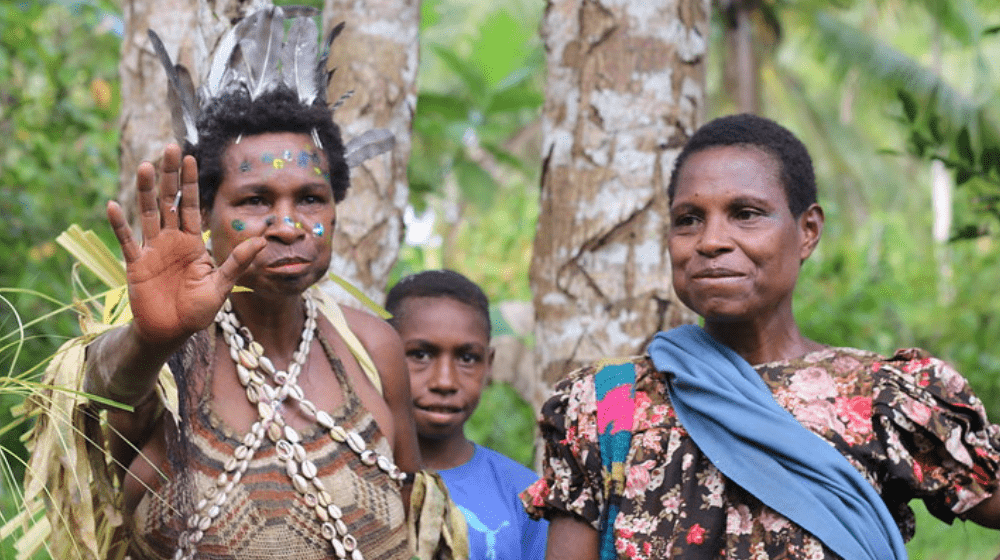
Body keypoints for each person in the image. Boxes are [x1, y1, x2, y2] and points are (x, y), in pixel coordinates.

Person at [41, 6, 438, 560]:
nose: (288, 224)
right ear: (204, 215)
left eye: (310, 198)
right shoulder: (163, 363)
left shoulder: (374, 349)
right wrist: (151, 340)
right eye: (255, 200)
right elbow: (92, 399)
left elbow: (420, 524)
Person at [521, 113, 1000, 560]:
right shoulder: (605, 406)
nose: (710, 240)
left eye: (746, 213)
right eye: (688, 219)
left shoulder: (885, 401)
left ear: (807, 231)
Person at [385, 270, 549, 560]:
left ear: (489, 365)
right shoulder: (348, 479)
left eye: (467, 358)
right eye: (421, 355)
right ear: (382, 356)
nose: (445, 381)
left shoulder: (525, 494)